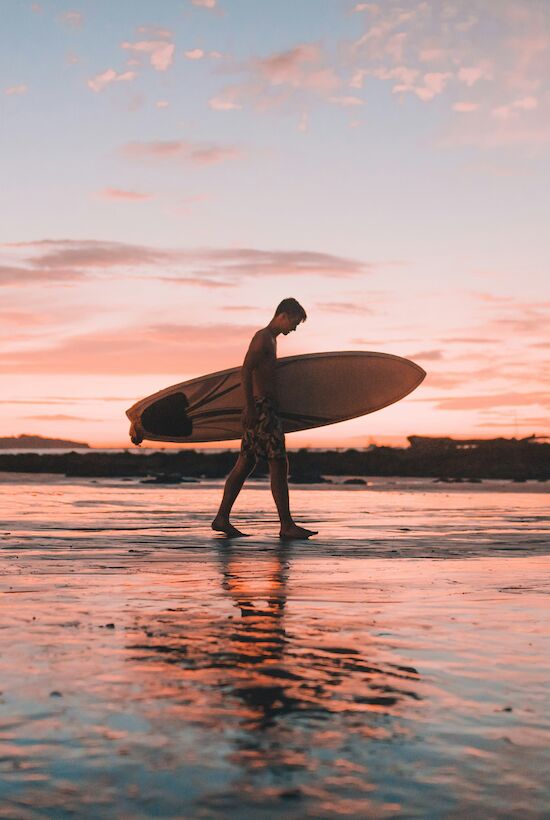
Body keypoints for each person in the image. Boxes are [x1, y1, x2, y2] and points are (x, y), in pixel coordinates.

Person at [212, 298, 318, 539]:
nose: (294, 328)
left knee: (246, 463)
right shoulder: (263, 338)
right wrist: (250, 407)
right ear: (283, 315)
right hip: (262, 410)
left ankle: (221, 518)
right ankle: (287, 525)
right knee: (279, 463)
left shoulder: (270, 339)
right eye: (294, 322)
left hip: (263, 408)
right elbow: (246, 369)